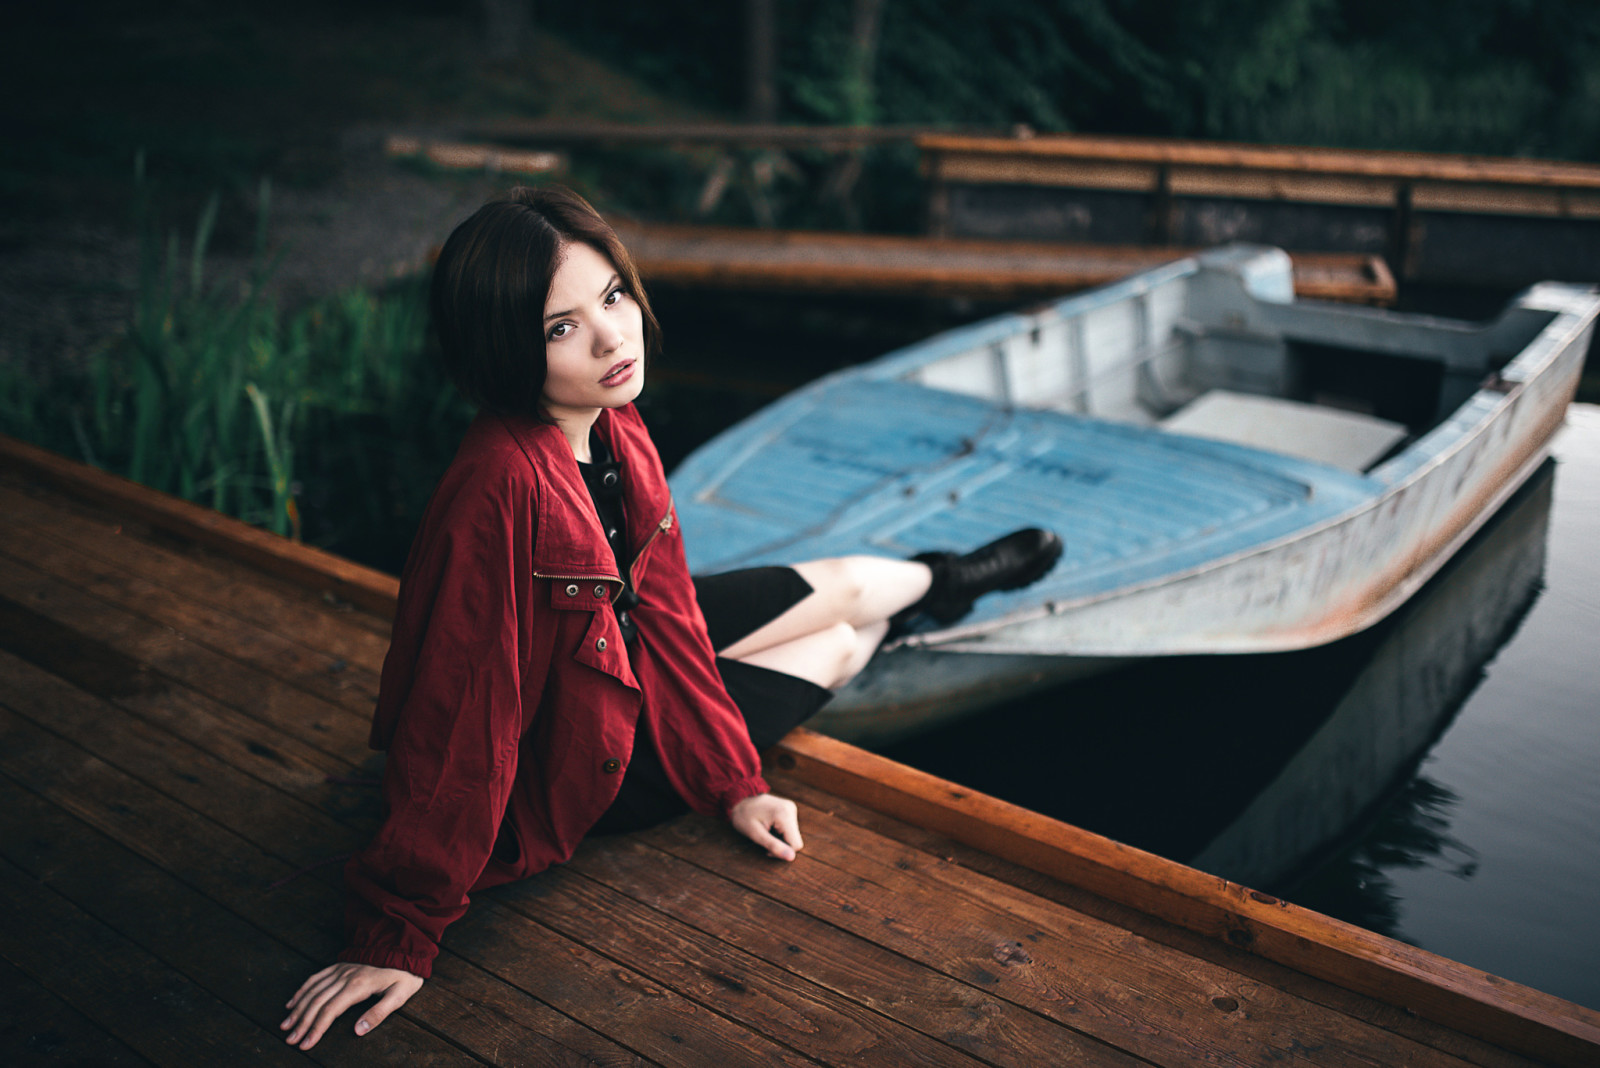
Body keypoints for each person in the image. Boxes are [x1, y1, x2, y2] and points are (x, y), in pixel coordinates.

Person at [280, 185, 1062, 1050]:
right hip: (575, 754)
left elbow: (670, 613)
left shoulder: (612, 422)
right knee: (841, 640)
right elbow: (466, 711)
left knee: (840, 582)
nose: (613, 336)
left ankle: (944, 579)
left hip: (625, 650)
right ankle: (911, 615)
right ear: (506, 349)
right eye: (560, 327)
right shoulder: (500, 488)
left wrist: (734, 776)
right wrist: (400, 928)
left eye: (611, 296)